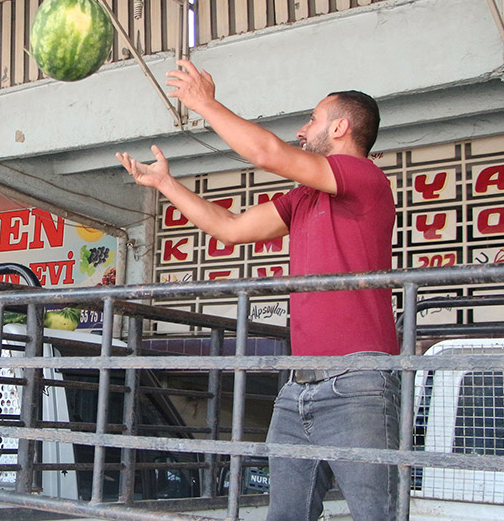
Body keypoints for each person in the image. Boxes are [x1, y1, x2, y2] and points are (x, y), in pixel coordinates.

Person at [116, 59, 399, 520]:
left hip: (358, 382)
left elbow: (267, 152)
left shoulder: (365, 178)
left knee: (377, 515)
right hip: (298, 386)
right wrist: (166, 184)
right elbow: (230, 228)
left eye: (312, 119)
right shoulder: (304, 197)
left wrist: (204, 103)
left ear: (342, 127)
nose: (302, 130)